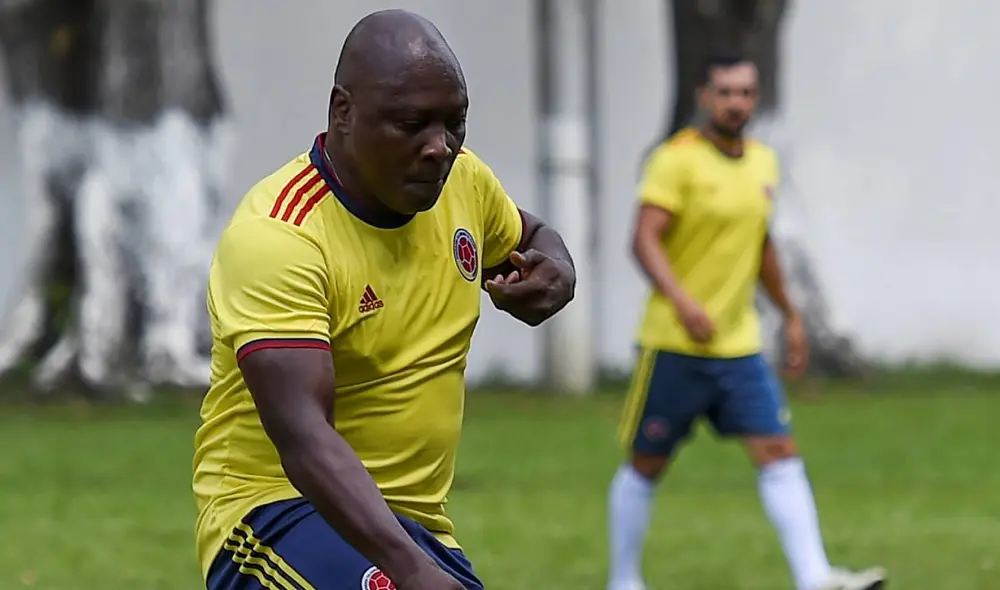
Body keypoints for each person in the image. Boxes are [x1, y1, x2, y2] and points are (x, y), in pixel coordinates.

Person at [192, 9, 576, 590]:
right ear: (343, 111)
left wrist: (558, 272)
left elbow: (530, 236)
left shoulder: (465, 185)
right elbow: (303, 436)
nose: (439, 148)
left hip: (416, 526)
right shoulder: (279, 235)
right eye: (411, 124)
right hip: (277, 511)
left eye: (455, 124)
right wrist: (412, 573)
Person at [606, 53, 886, 590]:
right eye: (726, 92)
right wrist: (684, 302)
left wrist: (791, 314)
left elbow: (759, 247)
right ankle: (623, 580)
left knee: (779, 450)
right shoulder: (675, 160)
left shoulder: (763, 162)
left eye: (745, 93)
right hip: (675, 344)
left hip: (739, 345)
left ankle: (816, 577)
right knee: (647, 462)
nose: (736, 103)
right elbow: (644, 240)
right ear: (704, 97)